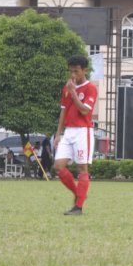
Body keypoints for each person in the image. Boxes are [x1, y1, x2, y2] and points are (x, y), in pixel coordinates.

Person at [54, 55, 98, 215]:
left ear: (84, 70)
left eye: (77, 71)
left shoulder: (90, 88)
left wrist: (73, 92)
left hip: (83, 131)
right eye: (71, 71)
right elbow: (63, 111)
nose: (73, 75)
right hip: (68, 131)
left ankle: (78, 207)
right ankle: (79, 194)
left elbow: (85, 110)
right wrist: (58, 134)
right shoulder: (67, 87)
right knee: (58, 166)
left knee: (82, 168)